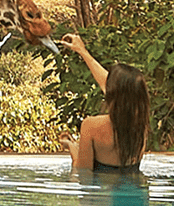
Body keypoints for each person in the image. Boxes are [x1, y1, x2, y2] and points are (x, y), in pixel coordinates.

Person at [58, 33, 150, 174]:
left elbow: (82, 173)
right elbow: (116, 87)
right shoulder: (140, 124)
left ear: (112, 93)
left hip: (102, 194)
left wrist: (71, 146)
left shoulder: (92, 126)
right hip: (137, 193)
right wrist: (82, 51)